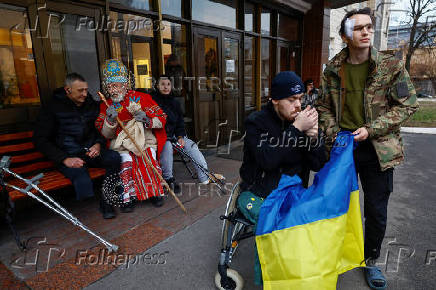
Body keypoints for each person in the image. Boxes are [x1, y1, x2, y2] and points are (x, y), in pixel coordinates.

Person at [316, 8, 418, 290]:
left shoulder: (390, 66)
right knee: (334, 206)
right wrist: (334, 132)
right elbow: (322, 106)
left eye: (369, 27)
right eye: (358, 28)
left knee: (375, 210)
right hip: (341, 147)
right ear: (345, 35)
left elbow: (408, 105)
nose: (365, 32)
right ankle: (332, 257)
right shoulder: (333, 69)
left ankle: (370, 260)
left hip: (377, 149)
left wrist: (372, 128)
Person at [238, 71, 327, 285]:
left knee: (316, 219)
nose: (298, 105)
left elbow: (318, 164)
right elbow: (267, 160)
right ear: (275, 100)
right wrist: (296, 130)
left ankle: (300, 276)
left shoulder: (302, 121)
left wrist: (314, 139)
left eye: (300, 99)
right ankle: (274, 280)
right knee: (281, 224)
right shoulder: (256, 123)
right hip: (259, 192)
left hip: (293, 192)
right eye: (291, 100)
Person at [33, 73, 121, 219]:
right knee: (82, 181)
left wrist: (98, 144)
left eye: (86, 90)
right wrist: (64, 159)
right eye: (80, 90)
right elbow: (40, 139)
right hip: (67, 154)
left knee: (114, 158)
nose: (85, 94)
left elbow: (98, 128)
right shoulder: (52, 107)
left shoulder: (90, 104)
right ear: (68, 90)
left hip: (89, 151)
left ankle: (107, 202)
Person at [95, 59, 167, 210]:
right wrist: (109, 119)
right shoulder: (105, 105)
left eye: (116, 86)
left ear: (125, 85)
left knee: (147, 157)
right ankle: (128, 198)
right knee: (126, 163)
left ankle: (155, 193)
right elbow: (106, 134)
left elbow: (162, 117)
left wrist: (147, 118)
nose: (113, 90)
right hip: (121, 144)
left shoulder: (142, 98)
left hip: (144, 140)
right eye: (109, 87)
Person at [151, 75, 215, 189]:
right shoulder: (152, 101)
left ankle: (204, 176)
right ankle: (168, 179)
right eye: (162, 84)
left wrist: (180, 136)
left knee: (191, 146)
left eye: (168, 84)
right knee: (167, 147)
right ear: (157, 86)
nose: (166, 87)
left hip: (175, 135)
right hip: (160, 137)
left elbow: (180, 122)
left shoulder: (175, 102)